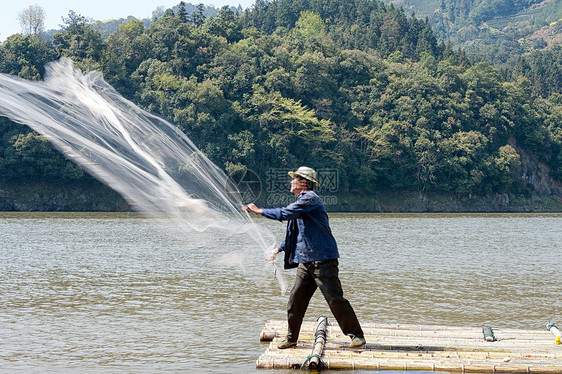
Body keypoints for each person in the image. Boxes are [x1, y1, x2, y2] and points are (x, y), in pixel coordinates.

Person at [244, 166, 366, 349]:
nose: (290, 182)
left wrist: (259, 211)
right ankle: (292, 338)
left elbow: (284, 214)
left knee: (335, 300)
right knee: (295, 301)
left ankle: (357, 336)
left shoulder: (310, 199)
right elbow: (296, 234)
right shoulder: (301, 203)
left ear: (303, 182)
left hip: (323, 260)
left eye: (294, 179)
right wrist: (278, 250)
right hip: (306, 262)